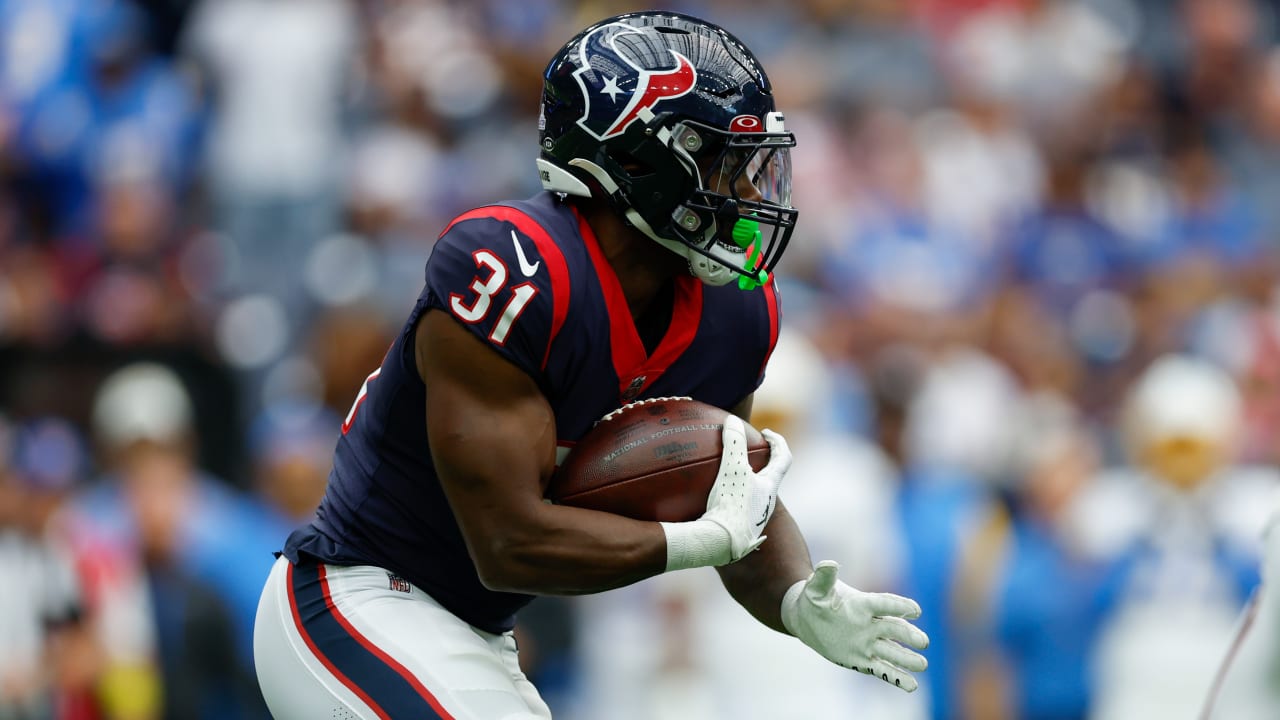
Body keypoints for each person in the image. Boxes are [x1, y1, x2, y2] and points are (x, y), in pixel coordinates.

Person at [252, 11, 929, 719]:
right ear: (637, 161)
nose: (752, 195)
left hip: (475, 629)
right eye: (726, 163)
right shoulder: (513, 270)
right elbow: (509, 543)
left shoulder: (738, 311)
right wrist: (686, 544)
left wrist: (796, 600)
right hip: (355, 598)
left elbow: (729, 493)